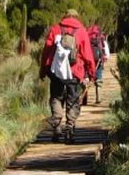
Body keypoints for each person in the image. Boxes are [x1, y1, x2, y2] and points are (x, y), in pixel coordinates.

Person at [39, 9, 95, 144]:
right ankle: (70, 128)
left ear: (65, 16)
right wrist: (91, 74)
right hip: (75, 73)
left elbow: (46, 50)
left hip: (56, 72)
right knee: (73, 100)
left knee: (56, 98)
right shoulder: (81, 31)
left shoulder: (55, 29)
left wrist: (43, 70)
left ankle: (57, 123)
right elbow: (88, 55)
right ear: (77, 17)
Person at [87, 24, 110, 104]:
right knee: (99, 78)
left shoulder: (87, 37)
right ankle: (98, 98)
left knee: (86, 79)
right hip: (99, 61)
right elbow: (106, 53)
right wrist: (104, 58)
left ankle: (83, 99)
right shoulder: (101, 38)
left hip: (88, 61)